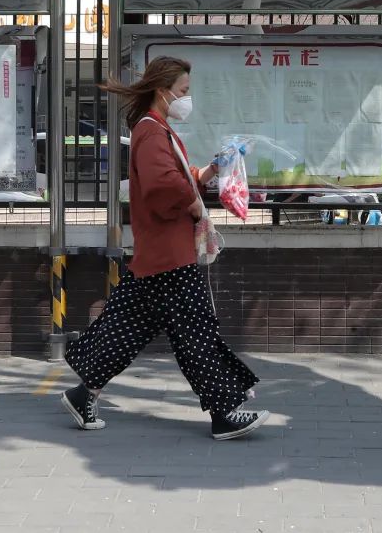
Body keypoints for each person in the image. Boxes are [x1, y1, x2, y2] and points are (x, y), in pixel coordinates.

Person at [61, 55, 268, 441]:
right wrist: (192, 202)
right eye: (184, 91)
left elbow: (173, 177)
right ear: (164, 91)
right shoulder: (152, 132)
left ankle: (83, 393)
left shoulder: (153, 129)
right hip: (170, 255)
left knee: (126, 328)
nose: (188, 99)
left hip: (158, 255)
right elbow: (163, 185)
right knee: (196, 334)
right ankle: (224, 412)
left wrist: (208, 171)